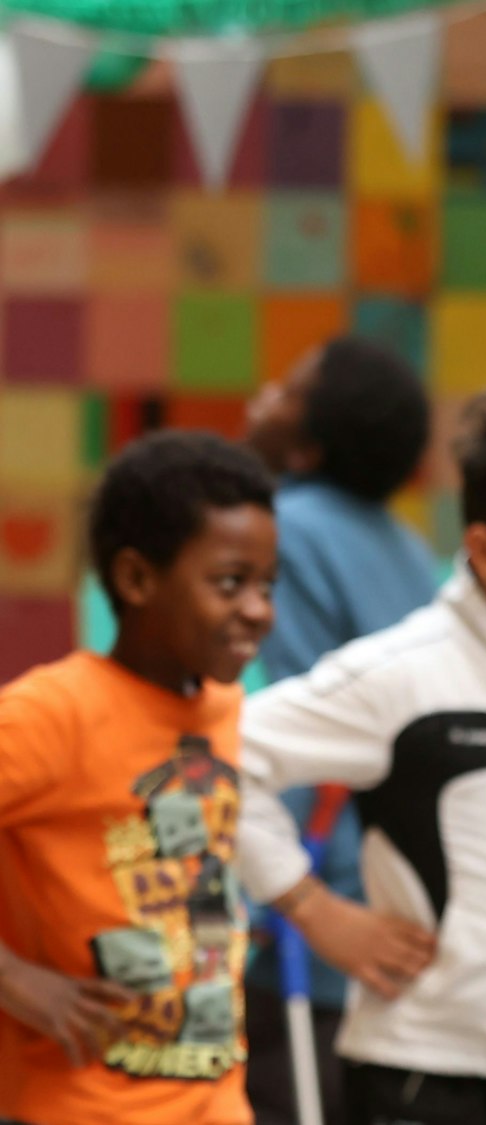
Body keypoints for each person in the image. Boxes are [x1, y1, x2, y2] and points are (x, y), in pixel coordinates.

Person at [233, 391, 486, 1125]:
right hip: (422, 1067)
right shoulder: (397, 674)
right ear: (484, 549)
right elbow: (224, 759)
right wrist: (311, 908)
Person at [0, 431, 278, 1125]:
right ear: (135, 579)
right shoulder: (51, 712)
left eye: (268, 584)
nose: (258, 609)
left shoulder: (225, 706)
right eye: (229, 582)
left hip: (217, 1101)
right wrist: (14, 977)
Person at [237, 334, 438, 1125]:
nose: (263, 395)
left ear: (313, 439)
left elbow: (293, 742)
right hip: (404, 898)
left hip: (326, 924)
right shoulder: (410, 545)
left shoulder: (280, 530)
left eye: (288, 389)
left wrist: (297, 904)